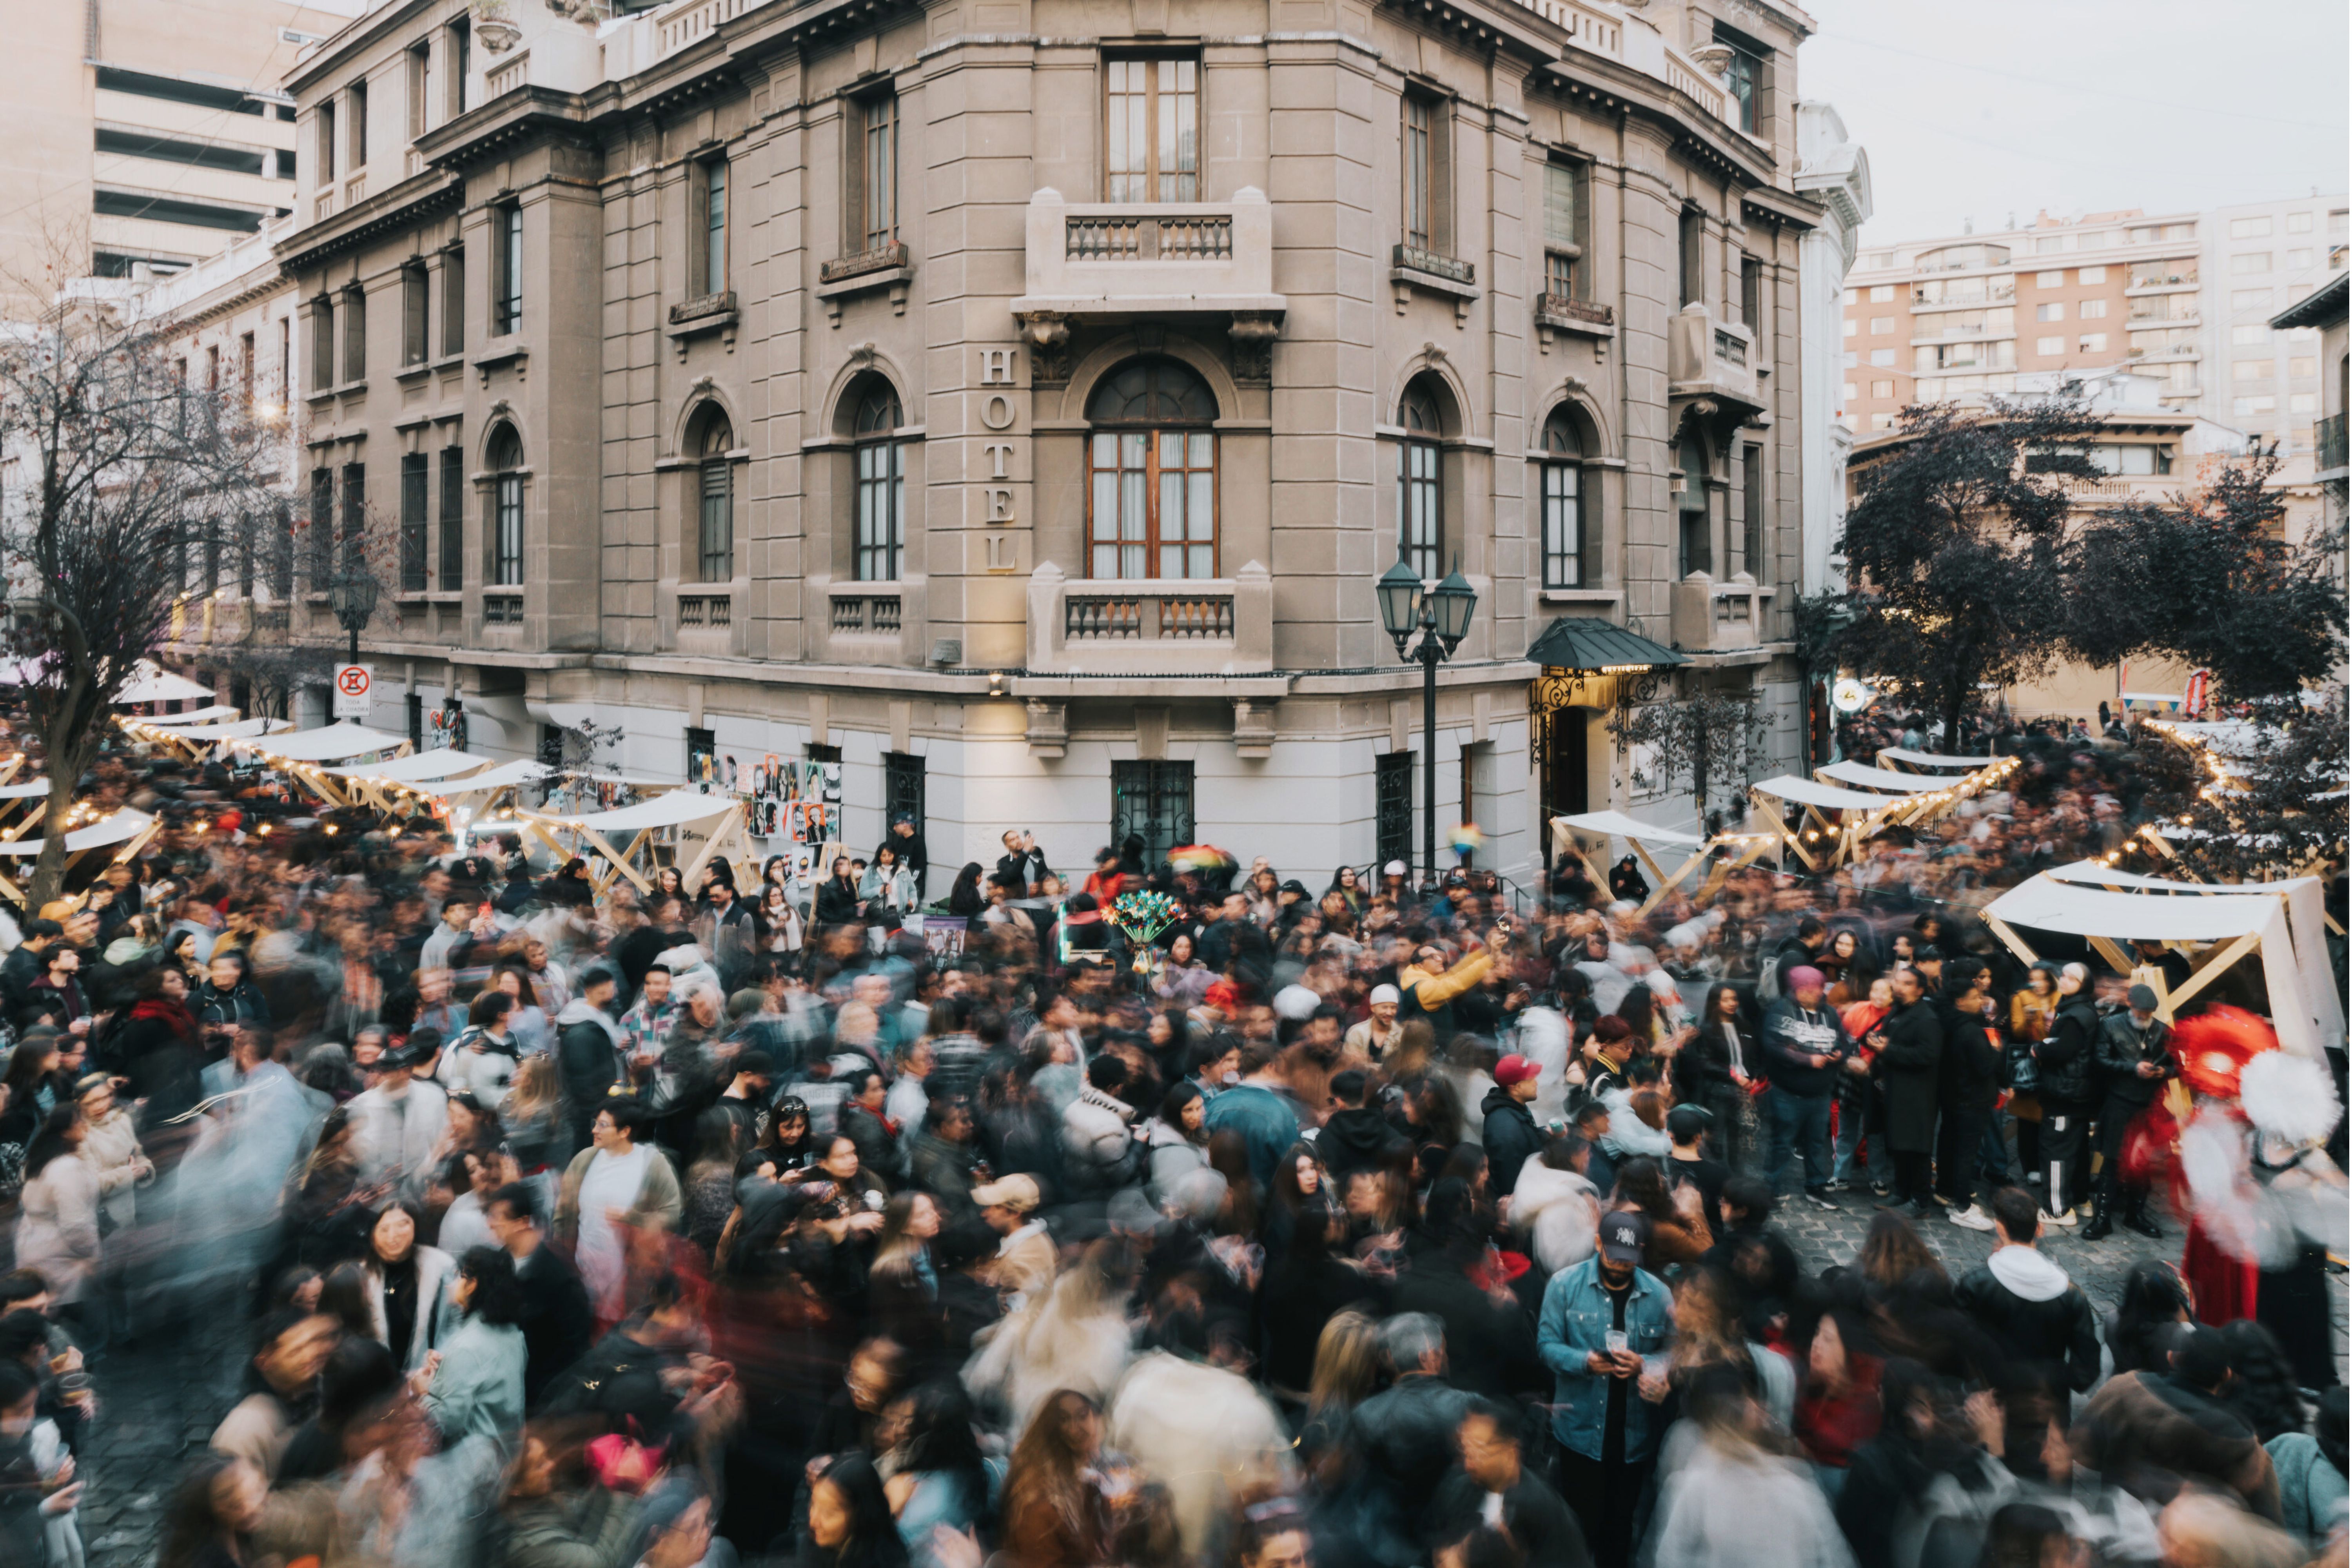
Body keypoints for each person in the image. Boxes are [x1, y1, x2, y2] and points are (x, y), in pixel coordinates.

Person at [1535, 1210, 1675, 1568]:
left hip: (1633, 1437)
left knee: (1619, 1527)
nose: (1620, 1266)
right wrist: (1584, 1362)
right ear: (1598, 1243)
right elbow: (1546, 1345)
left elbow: (1676, 1352)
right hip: (1580, 1433)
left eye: (1628, 1261)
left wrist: (1647, 1365)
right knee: (1580, 1524)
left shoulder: (1659, 1295)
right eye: (1613, 1256)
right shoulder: (1565, 1286)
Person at [555, 1100, 682, 1327]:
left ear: (625, 1132)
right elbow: (563, 1213)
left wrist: (634, 1219)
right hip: (584, 1268)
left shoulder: (652, 1164)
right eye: (596, 1124)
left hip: (629, 1278)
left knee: (620, 1329)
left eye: (603, 1125)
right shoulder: (585, 1160)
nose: (594, 1130)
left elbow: (672, 1213)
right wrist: (562, 1254)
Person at [1430, 1398, 1592, 1568]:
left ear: (1511, 1453)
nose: (1469, 1464)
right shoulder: (1460, 1487)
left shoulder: (1539, 1508)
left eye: (1480, 1452)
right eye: (1465, 1449)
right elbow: (1435, 1545)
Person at [483, 1181, 594, 1405]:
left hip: (540, 1395)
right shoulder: (499, 1263)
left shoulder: (557, 1276)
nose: (491, 1224)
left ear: (523, 1223)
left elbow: (574, 1347)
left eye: (498, 1217)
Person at [1757, 965, 1850, 1210]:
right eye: (1807, 989)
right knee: (1782, 1142)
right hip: (1787, 1093)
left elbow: (1844, 1041)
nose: (1814, 993)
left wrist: (1840, 1054)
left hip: (1820, 1094)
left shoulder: (1830, 1013)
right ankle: (1771, 1188)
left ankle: (1816, 1187)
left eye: (1818, 988)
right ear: (1796, 989)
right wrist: (1807, 1060)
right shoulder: (1780, 1011)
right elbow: (1774, 1046)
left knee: (1816, 1144)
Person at [2086, 983, 2174, 1241]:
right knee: (2112, 1161)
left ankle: (2135, 1215)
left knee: (2143, 1163)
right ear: (2131, 1006)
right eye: (2141, 1012)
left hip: (2148, 1106)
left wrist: (2163, 1073)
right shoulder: (2111, 1025)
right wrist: (2132, 1068)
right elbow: (2100, 1061)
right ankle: (2102, 1218)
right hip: (2119, 1103)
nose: (2144, 1017)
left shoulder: (2163, 1031)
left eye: (2149, 1013)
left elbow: (2176, 1066)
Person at [209, 1307, 338, 1481]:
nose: (311, 1355)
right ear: (264, 1362)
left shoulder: (324, 1394)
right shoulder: (244, 1430)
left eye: (313, 1342)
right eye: (296, 1351)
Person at [415, 1245, 527, 1443]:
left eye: (459, 1276)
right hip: (508, 1446)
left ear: (472, 1285)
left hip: (475, 1459)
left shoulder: (467, 1347)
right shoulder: (513, 1332)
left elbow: (447, 1424)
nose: (451, 1284)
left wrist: (423, 1391)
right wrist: (446, 1367)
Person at [1868, 967, 1941, 1216]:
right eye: (1897, 981)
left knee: (1916, 1148)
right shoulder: (1898, 1011)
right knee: (1899, 1145)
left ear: (1920, 990)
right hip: (1895, 1090)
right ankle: (1902, 1192)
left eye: (1907, 983)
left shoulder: (1926, 1018)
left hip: (1917, 1095)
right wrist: (1877, 1039)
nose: (1899, 987)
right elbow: (1890, 1038)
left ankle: (1920, 1201)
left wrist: (1887, 1050)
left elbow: (1927, 1056)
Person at [2029, 962, 2098, 1227]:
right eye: (2064, 975)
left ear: (2084, 985)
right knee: (2077, 1150)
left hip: (2064, 1092)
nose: (2065, 979)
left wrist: (2040, 1050)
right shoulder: (2079, 1009)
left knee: (2056, 1150)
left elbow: (2064, 1051)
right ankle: (2081, 1200)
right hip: (2076, 1092)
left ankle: (2057, 1210)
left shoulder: (2074, 1015)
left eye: (2074, 977)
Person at [360, 1199, 457, 1371]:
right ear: (373, 1235)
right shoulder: (363, 1275)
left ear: (415, 1227)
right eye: (384, 1229)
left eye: (402, 1225)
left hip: (431, 1372)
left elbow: (457, 1318)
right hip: (379, 1377)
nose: (393, 1235)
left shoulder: (441, 1266)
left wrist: (442, 1356)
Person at [1481, 1054, 1545, 1198]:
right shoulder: (1507, 1134)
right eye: (1531, 1079)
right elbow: (1511, 1186)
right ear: (1515, 1088)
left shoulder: (1515, 1107)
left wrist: (1546, 1134)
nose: (1536, 1083)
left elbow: (1526, 1136)